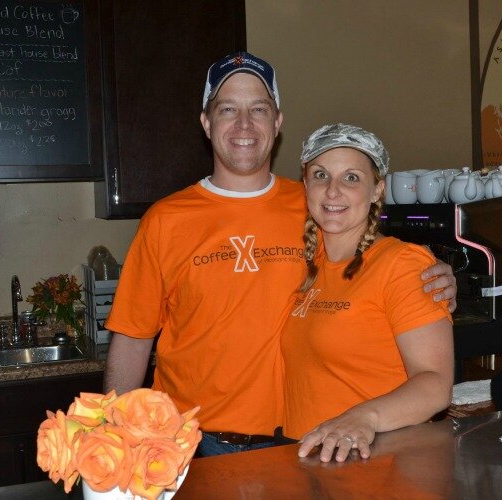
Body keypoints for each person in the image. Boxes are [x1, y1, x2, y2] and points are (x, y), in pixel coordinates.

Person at [103, 52, 456, 457]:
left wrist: (434, 274)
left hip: (300, 441)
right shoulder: (166, 220)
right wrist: (117, 439)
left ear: (277, 122)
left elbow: (376, 262)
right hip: (194, 443)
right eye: (227, 109)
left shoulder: (313, 205)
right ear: (206, 123)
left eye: (259, 109)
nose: (244, 125)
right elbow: (133, 338)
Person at [281, 123, 454, 463]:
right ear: (306, 186)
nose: (332, 191)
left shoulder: (401, 264)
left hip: (371, 460)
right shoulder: (307, 264)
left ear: (377, 190)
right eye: (320, 175)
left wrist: (364, 417)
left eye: (351, 178)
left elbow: (435, 384)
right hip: (308, 458)